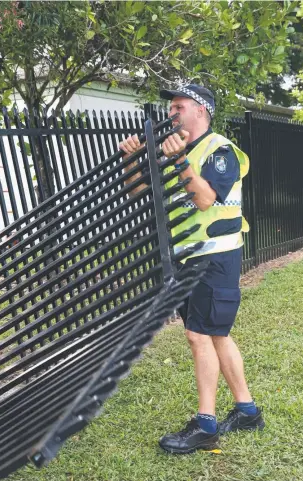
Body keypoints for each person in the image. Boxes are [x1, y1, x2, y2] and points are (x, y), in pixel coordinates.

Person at [119, 84, 264, 455]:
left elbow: (204, 200)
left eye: (179, 107)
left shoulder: (220, 151)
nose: (172, 114)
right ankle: (247, 411)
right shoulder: (177, 151)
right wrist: (132, 160)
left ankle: (205, 426)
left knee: (199, 337)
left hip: (215, 257)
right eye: (171, 108)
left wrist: (181, 160)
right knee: (216, 334)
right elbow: (140, 195)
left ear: (202, 110)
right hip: (190, 258)